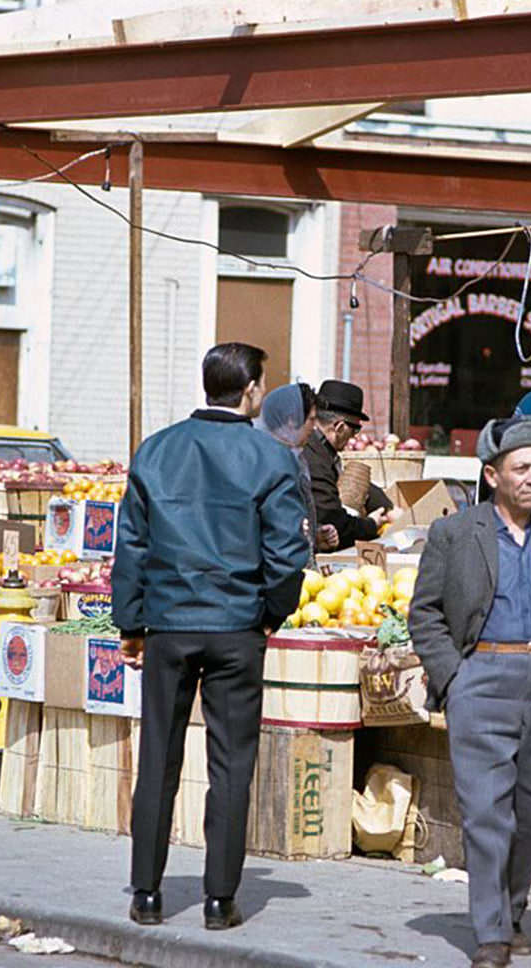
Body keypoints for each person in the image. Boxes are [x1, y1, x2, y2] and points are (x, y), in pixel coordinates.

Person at [113, 342, 310, 932]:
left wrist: (131, 621)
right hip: (236, 628)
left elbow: (132, 546)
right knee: (230, 766)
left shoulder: (156, 450)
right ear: (249, 390)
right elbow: (287, 552)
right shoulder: (268, 456)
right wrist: (271, 612)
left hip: (170, 625)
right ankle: (220, 900)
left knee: (158, 761)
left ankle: (146, 893)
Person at [409, 416, 531, 968]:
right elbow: (424, 614)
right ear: (493, 475)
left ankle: (511, 903)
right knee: (485, 814)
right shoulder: (455, 534)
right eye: (521, 469)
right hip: (481, 682)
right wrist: (454, 677)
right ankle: (492, 931)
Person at [302, 379, 395, 550]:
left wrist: (386, 507)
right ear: (339, 427)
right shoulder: (312, 457)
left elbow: (349, 480)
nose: (355, 438)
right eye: (355, 430)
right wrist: (371, 525)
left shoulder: (323, 450)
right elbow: (336, 522)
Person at [257, 382, 339, 563]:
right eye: (311, 420)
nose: (314, 428)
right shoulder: (266, 461)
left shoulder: (298, 456)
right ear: (292, 420)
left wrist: (314, 537)